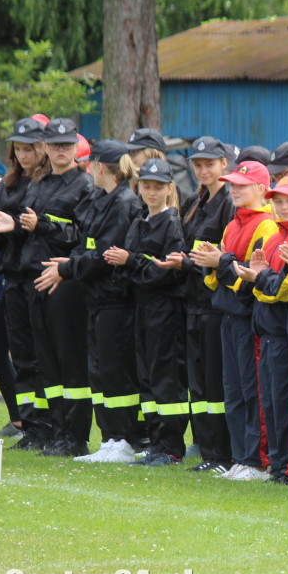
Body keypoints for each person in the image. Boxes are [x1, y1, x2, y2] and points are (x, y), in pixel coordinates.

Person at [35, 140, 144, 464]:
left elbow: (104, 255)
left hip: (115, 299)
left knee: (115, 371)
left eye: (90, 164)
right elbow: (87, 243)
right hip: (97, 299)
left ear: (99, 167)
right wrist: (73, 261)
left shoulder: (123, 202)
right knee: (99, 372)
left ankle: (124, 438)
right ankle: (109, 437)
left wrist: (69, 268)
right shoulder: (103, 198)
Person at [193, 160, 277, 481]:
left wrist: (221, 261)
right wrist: (212, 261)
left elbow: (248, 281)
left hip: (248, 318)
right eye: (233, 184)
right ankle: (241, 457)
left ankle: (256, 460)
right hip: (227, 315)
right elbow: (217, 280)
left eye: (242, 185)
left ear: (260, 189)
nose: (234, 189)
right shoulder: (231, 225)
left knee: (251, 388)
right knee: (233, 389)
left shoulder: (266, 226)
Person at [236, 175, 288, 485]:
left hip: (287, 333)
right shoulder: (274, 237)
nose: (283, 207)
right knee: (270, 403)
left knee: (287, 404)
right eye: (278, 201)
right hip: (267, 331)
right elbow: (265, 286)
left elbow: (286, 288)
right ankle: (279, 465)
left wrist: (258, 279)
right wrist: (259, 279)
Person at [105, 158, 188, 466]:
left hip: (164, 309)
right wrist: (131, 265)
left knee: (166, 376)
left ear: (169, 189)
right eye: (146, 187)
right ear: (139, 188)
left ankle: (171, 447)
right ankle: (156, 442)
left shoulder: (172, 223)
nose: (152, 193)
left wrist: (132, 263)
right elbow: (126, 270)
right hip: (142, 307)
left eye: (158, 187)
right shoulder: (140, 222)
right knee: (147, 377)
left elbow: (166, 272)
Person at [21, 118, 94, 457]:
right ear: (46, 148)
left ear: (76, 148)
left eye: (68, 144)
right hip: (34, 279)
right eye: (56, 144)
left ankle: (75, 436)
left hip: (64, 281)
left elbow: (81, 238)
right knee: (47, 362)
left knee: (70, 360)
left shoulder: (85, 186)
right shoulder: (38, 183)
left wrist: (44, 226)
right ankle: (56, 431)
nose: (62, 150)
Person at [163, 136, 236, 474]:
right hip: (192, 302)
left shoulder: (229, 203)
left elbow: (222, 257)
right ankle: (207, 450)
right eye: (198, 164)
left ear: (224, 164)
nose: (204, 169)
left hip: (215, 305)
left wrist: (188, 264)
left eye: (210, 163)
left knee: (215, 383)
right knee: (200, 385)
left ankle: (222, 453)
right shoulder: (195, 200)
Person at [0, 118, 47, 449]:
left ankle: (50, 425)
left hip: (39, 275)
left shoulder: (49, 183)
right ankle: (29, 426)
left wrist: (14, 225)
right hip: (12, 275)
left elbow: (49, 228)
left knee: (43, 355)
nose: (24, 154)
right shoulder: (8, 185)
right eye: (19, 148)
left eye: (30, 148)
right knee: (22, 357)